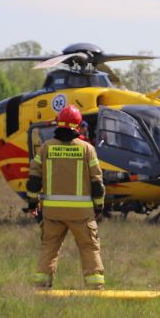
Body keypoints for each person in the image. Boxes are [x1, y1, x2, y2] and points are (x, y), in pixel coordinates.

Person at [28, 104, 105, 289]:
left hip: (52, 213)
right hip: (82, 214)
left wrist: (33, 203)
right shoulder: (87, 149)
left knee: (49, 248)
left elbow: (33, 181)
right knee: (89, 248)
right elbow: (97, 184)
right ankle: (95, 288)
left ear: (58, 124)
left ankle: (41, 287)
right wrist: (99, 207)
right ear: (78, 126)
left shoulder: (46, 148)